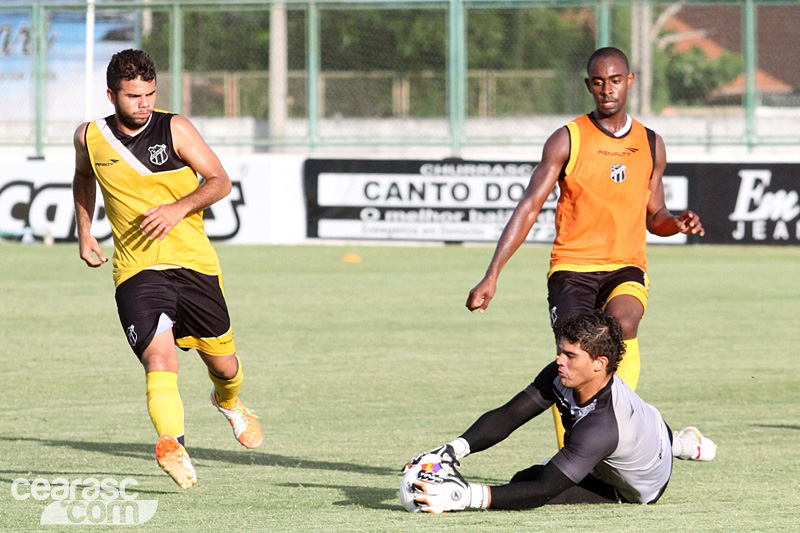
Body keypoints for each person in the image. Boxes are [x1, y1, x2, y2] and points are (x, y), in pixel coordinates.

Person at [466, 47, 704, 448]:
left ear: (629, 81)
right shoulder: (567, 139)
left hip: (625, 265)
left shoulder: (651, 143)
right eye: (598, 81)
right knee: (576, 355)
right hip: (572, 267)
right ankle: (572, 453)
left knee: (622, 325)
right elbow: (528, 208)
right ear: (588, 85)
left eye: (614, 80)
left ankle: (615, 432)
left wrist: (675, 222)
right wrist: (492, 275)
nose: (606, 89)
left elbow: (655, 214)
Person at [72, 49, 262, 490]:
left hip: (194, 264)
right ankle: (171, 444)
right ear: (111, 95)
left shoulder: (174, 127)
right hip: (137, 269)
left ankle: (229, 402)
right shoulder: (89, 137)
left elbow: (219, 181)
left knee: (226, 365)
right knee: (159, 359)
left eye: (150, 94)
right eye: (134, 96)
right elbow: (83, 177)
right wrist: (85, 230)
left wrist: (179, 208)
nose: (143, 103)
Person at [403, 311, 715, 513]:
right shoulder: (565, 374)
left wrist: (464, 496)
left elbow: (544, 488)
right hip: (653, 426)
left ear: (599, 363)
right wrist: (450, 451)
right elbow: (511, 414)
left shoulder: (602, 426)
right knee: (632, 439)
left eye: (569, 355)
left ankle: (679, 446)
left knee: (528, 479)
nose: (559, 360)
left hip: (637, 487)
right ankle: (683, 444)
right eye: (559, 351)